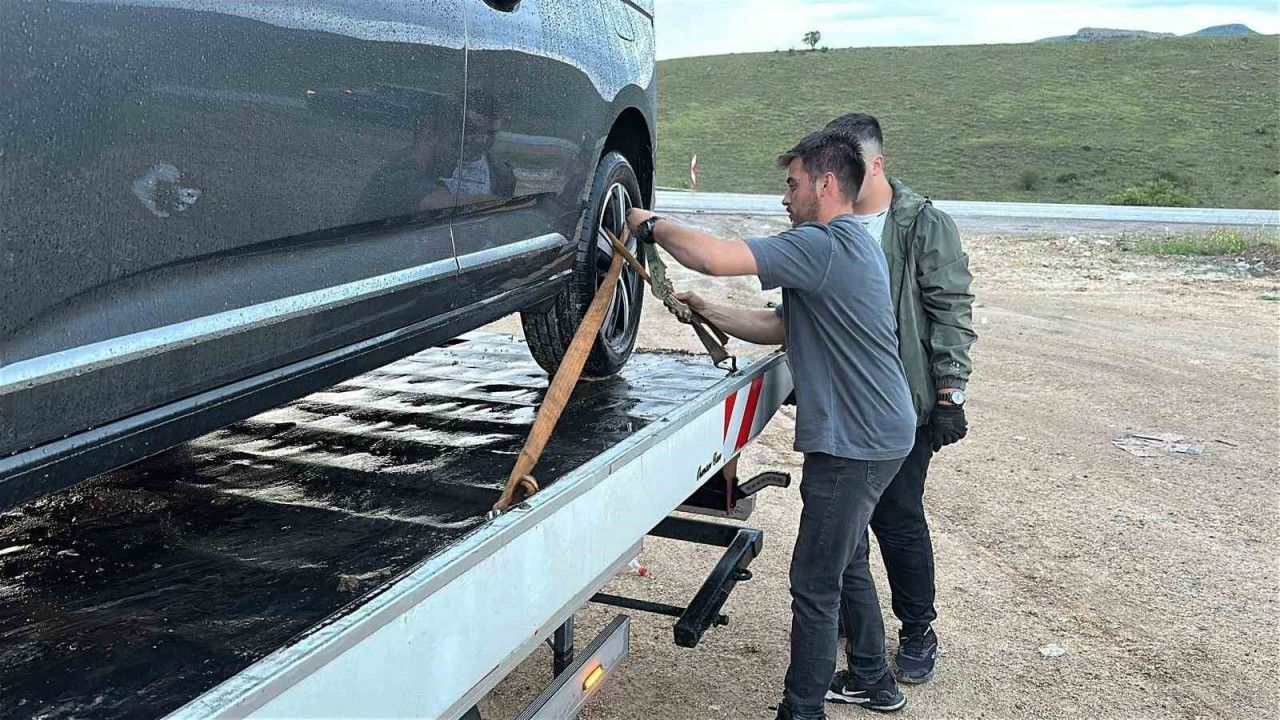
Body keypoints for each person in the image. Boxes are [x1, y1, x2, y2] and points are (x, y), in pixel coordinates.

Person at [626, 129, 916, 718]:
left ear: (825, 184)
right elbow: (780, 327)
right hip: (880, 434)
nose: (785, 197)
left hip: (854, 443)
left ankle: (802, 711)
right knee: (846, 559)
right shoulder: (852, 247)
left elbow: (713, 257)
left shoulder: (820, 243)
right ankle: (873, 680)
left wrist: (648, 225)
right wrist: (706, 308)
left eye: (792, 183)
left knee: (814, 583)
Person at [824, 113, 977, 688]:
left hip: (904, 404)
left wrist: (950, 392)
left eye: (852, 164)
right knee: (844, 519)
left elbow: (951, 309)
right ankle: (855, 619)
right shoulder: (828, 219)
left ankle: (917, 630)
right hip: (842, 403)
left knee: (898, 516)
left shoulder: (921, 224)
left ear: (878, 164)